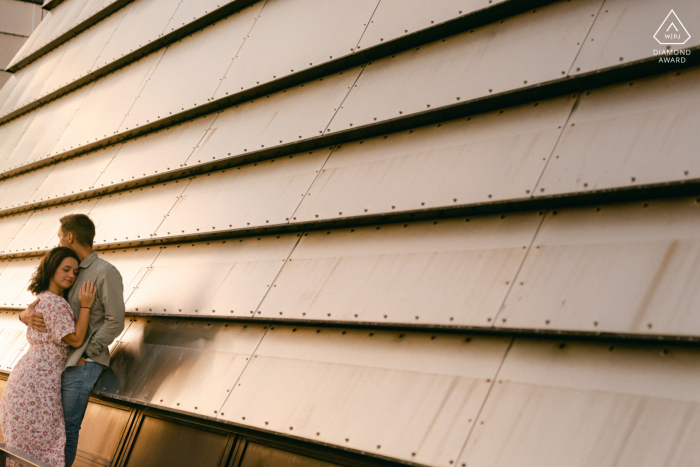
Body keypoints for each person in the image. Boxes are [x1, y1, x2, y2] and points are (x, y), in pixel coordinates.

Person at [20, 214, 125, 467]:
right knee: (52, 427)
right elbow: (50, 306)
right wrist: (24, 315)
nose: (57, 243)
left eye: (59, 237)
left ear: (69, 237)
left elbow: (115, 321)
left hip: (83, 363)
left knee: (67, 428)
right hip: (63, 362)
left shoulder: (105, 272)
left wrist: (86, 352)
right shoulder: (69, 269)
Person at [0, 247, 96, 467]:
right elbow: (76, 339)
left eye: (75, 271)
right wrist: (86, 305)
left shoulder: (41, 299)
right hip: (38, 385)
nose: (71, 275)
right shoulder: (56, 303)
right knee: (43, 445)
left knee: (23, 447)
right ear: (52, 269)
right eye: (66, 269)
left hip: (25, 381)